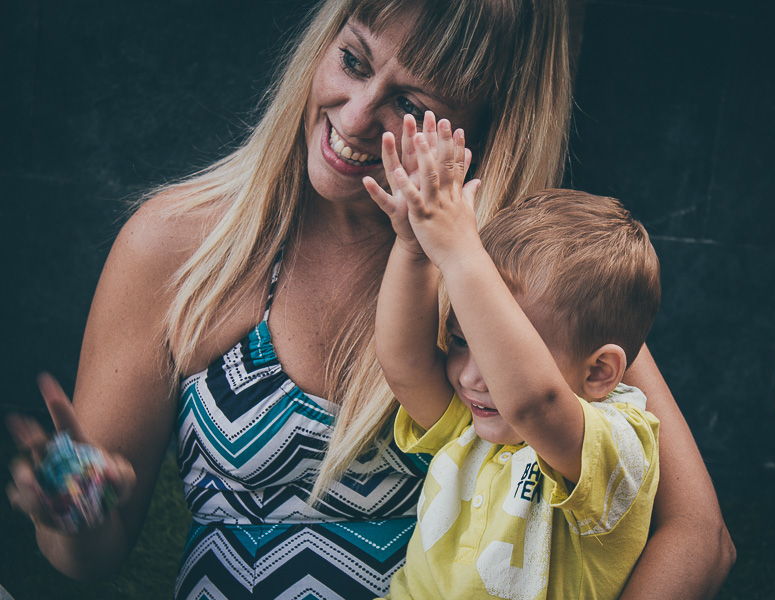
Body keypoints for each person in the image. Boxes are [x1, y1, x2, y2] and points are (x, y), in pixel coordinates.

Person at [6, 1, 735, 599]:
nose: (353, 119)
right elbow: (88, 560)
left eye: (410, 105)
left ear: (482, 130)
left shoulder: (528, 287)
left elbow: (701, 538)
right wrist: (77, 512)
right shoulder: (172, 244)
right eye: (352, 61)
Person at [367, 115, 661, 599]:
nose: (473, 377)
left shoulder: (621, 442)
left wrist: (462, 254)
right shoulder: (474, 428)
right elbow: (405, 367)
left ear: (599, 371)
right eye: (462, 341)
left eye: (501, 348)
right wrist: (413, 247)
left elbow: (536, 403)